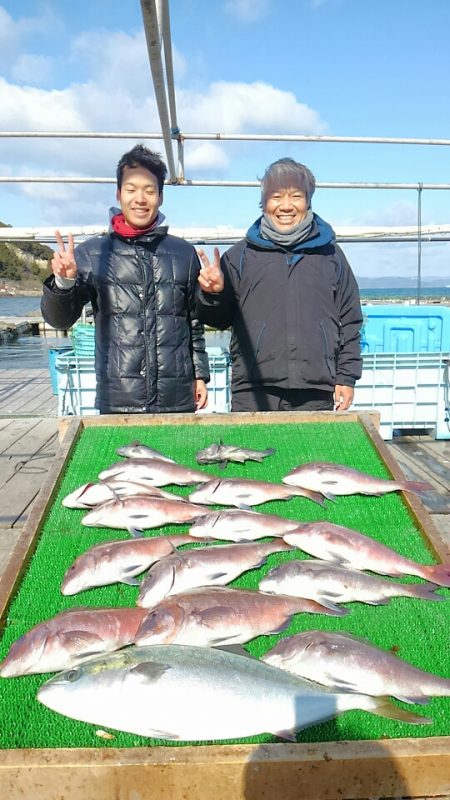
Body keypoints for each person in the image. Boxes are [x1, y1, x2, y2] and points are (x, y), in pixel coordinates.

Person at [41, 145, 209, 414]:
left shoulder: (183, 253)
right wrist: (64, 283)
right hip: (118, 399)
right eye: (131, 189)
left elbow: (194, 320)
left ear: (161, 197)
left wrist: (200, 374)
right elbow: (59, 321)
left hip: (176, 397)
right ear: (119, 194)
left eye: (149, 191)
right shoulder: (93, 253)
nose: (140, 199)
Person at [195, 157, 362, 412]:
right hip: (252, 390)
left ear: (308, 201)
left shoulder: (331, 256)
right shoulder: (239, 257)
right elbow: (218, 320)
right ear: (264, 203)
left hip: (316, 390)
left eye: (295, 196)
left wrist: (346, 376)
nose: (285, 206)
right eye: (276, 197)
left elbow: (351, 320)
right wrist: (212, 295)